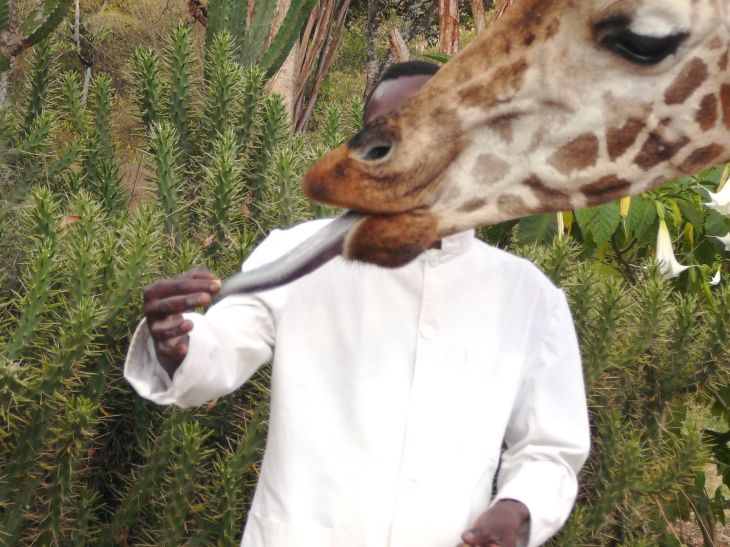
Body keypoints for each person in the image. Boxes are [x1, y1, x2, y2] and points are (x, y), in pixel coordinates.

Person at [125, 60, 590, 547]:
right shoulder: (297, 255)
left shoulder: (529, 297)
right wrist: (177, 342)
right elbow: (219, 350)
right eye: (381, 137)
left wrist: (516, 510)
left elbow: (550, 450)